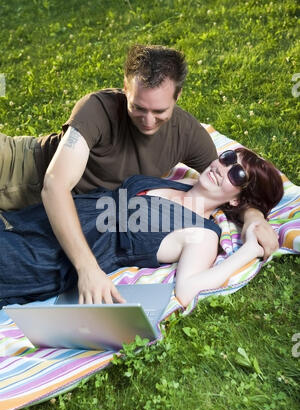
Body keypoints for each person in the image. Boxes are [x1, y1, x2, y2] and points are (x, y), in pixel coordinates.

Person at [0, 44, 279, 304]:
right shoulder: (99, 108)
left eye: (159, 111)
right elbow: (54, 184)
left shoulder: (186, 138)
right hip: (23, 169)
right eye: (138, 107)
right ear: (125, 89)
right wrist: (87, 268)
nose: (148, 121)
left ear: (177, 96)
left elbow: (237, 193)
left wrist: (253, 225)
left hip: (45, 237)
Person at [0, 148, 283, 308]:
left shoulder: (202, 235)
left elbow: (187, 290)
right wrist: (252, 215)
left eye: (237, 173)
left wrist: (248, 250)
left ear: (236, 199)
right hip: (34, 218)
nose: (224, 167)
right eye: (228, 157)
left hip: (42, 258)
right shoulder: (180, 181)